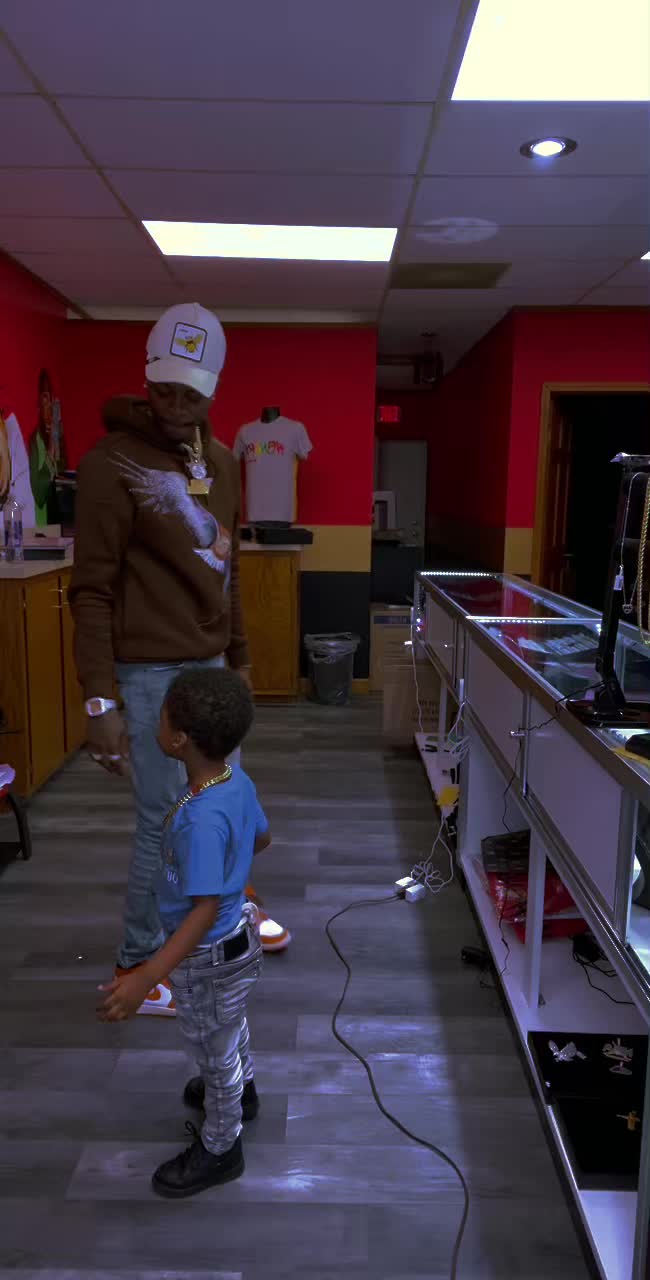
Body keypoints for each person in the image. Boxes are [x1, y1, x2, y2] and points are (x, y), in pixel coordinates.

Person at [70, 302, 290, 1019]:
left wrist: (240, 655)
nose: (172, 404)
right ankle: (137, 962)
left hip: (210, 666)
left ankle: (227, 914)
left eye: (188, 394)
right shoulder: (110, 464)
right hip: (148, 674)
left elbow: (227, 568)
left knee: (225, 803)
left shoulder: (221, 461)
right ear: (147, 379)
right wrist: (99, 700)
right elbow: (92, 590)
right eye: (162, 388)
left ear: (212, 390)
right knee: (164, 822)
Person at [98, 666, 268, 1198]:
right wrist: (231, 864)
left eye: (162, 715)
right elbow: (261, 837)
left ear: (179, 740)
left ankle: (221, 1147)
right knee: (229, 1024)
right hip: (237, 940)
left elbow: (202, 911)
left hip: (209, 954)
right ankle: (245, 1091)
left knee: (213, 1052)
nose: (155, 720)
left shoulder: (199, 820)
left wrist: (147, 976)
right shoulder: (233, 782)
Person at [29, 368, 66, 526]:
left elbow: (62, 475)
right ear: (39, 406)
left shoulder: (57, 437)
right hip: (43, 526)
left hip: (60, 520)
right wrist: (51, 445)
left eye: (52, 401)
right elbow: (39, 495)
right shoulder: (34, 441)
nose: (49, 408)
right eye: (45, 401)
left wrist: (57, 437)